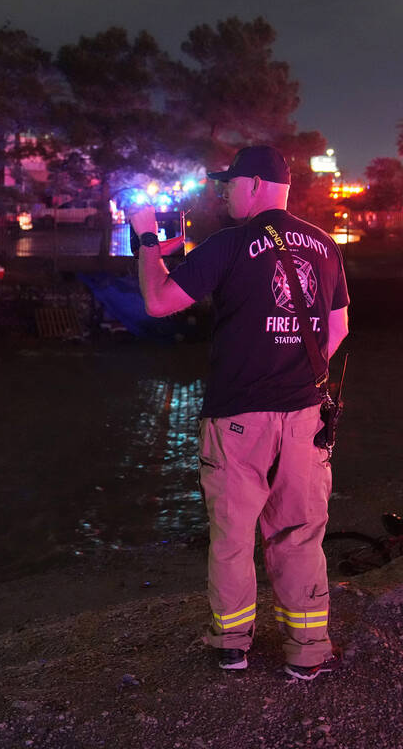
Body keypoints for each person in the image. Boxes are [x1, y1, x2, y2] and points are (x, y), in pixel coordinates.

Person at [129, 146, 350, 680]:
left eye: (228, 184)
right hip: (304, 417)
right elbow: (338, 329)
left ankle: (232, 643)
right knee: (299, 534)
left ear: (253, 185)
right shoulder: (324, 246)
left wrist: (145, 238)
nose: (223, 192)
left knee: (232, 538)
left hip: (238, 418)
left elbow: (158, 302)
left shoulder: (228, 245)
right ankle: (306, 651)